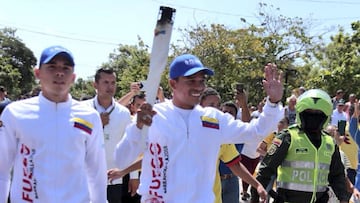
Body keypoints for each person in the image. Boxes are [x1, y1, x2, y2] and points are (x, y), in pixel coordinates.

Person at [114, 53, 284, 202]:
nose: (198, 86)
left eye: (201, 81)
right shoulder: (153, 116)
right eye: (191, 81)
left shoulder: (213, 119)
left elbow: (255, 133)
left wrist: (273, 103)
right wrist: (137, 128)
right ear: (173, 84)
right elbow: (122, 160)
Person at [0, 45, 107, 202]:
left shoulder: (89, 116)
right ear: (38, 73)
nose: (59, 73)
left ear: (73, 77)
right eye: (52, 67)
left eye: (66, 68)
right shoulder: (15, 113)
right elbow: (2, 170)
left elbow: (96, 172)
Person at [250, 89, 349, 203]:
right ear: (300, 113)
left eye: (318, 114)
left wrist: (343, 198)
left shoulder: (329, 142)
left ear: (326, 117)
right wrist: (255, 198)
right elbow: (266, 170)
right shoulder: (288, 137)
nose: (313, 117)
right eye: (309, 113)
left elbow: (337, 175)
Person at [82, 67, 139, 203]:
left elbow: (130, 145)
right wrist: (97, 125)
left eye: (113, 83)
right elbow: (74, 141)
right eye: (105, 82)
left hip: (113, 177)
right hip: (85, 177)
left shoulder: (123, 113)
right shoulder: (83, 110)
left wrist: (133, 176)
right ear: (95, 85)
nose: (110, 87)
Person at [199, 87, 266, 203]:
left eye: (217, 105)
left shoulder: (221, 134)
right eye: (211, 104)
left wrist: (257, 185)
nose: (215, 109)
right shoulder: (182, 130)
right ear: (199, 105)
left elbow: (235, 164)